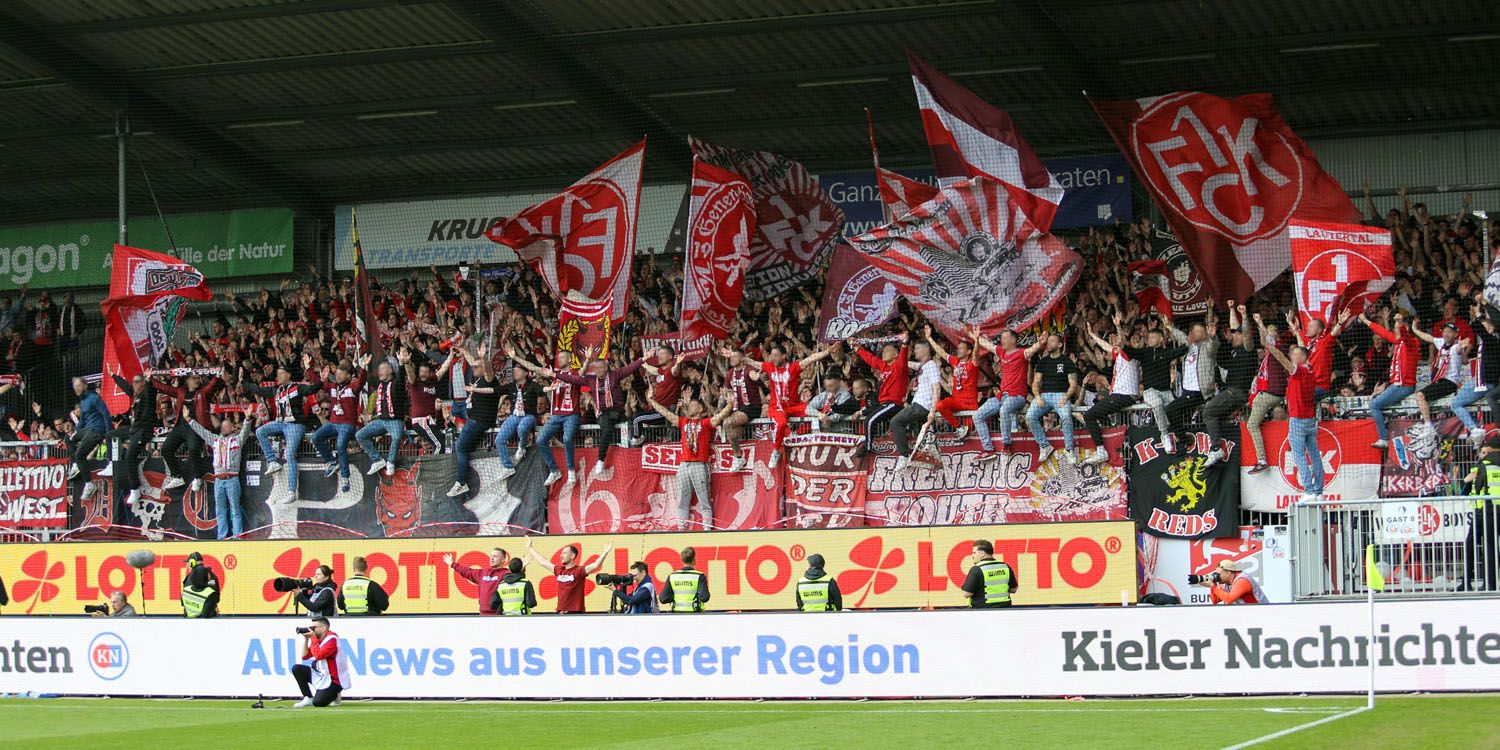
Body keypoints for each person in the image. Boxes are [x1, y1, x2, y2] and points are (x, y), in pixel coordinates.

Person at [729, 342, 838, 468]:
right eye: (771, 355)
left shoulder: (793, 368)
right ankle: (776, 451)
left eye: (775, 355)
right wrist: (733, 355)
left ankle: (798, 435)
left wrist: (828, 351)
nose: (772, 358)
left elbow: (811, 358)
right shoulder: (769, 367)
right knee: (781, 423)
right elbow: (748, 360)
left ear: (784, 356)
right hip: (777, 407)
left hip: (794, 406)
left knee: (819, 412)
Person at [550, 347, 646, 477]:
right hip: (604, 413)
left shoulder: (615, 375)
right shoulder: (590, 379)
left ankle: (637, 439)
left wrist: (643, 359)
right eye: (596, 368)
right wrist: (555, 374)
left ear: (606, 367)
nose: (599, 370)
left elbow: (629, 368)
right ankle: (600, 460)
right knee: (606, 430)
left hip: (618, 411)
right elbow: (573, 379)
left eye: (601, 367)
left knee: (634, 418)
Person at [1255, 314, 1322, 502]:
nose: (1291, 356)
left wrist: (1270, 346)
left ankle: (1308, 491)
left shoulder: (1298, 370)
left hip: (1299, 420)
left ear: (1302, 357)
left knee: (1299, 455)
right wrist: (1293, 330)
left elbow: (1282, 360)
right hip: (1310, 420)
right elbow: (1302, 346)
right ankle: (1318, 492)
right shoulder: (1309, 369)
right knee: (1314, 455)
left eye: (1294, 354)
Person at [645, 390, 736, 528]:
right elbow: (666, 413)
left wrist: (730, 403)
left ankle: (707, 529)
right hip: (683, 465)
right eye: (690, 405)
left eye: (694, 405)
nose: (690, 406)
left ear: (701, 409)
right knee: (683, 499)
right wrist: (651, 401)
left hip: (699, 465)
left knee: (704, 500)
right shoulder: (683, 422)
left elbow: (720, 417)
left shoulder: (706, 423)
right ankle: (682, 528)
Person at [244, 355, 322, 494]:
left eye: (281, 374)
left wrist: (321, 379)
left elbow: (312, 389)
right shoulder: (275, 390)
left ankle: (292, 490)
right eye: (277, 374)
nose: (278, 376)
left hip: (295, 425)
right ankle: (272, 461)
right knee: (260, 431)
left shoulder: (297, 387)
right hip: (280, 423)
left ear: (289, 375)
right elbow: (258, 390)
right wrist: (243, 381)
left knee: (290, 455)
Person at [509, 350, 582, 486]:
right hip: (556, 415)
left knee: (567, 438)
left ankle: (571, 469)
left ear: (570, 359)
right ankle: (554, 470)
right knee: (541, 439)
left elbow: (583, 371)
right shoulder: (554, 374)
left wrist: (588, 358)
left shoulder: (576, 373)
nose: (559, 360)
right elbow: (534, 368)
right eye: (558, 357)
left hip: (571, 415)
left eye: (562, 358)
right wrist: (516, 357)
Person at [184, 404, 256, 538]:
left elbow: (245, 431)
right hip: (218, 480)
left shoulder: (237, 440)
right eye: (222, 425)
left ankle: (237, 536)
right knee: (220, 510)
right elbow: (202, 431)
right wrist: (189, 419)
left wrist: (247, 418)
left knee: (235, 509)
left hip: (232, 479)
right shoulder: (215, 440)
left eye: (226, 425)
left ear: (233, 428)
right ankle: (222, 537)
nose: (223, 427)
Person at [971, 326, 1044, 457]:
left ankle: (1006, 444)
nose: (1001, 341)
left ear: (1013, 340)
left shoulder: (1022, 353)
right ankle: (988, 449)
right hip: (1002, 396)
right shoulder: (1001, 352)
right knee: (977, 416)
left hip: (1017, 396)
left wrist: (1040, 343)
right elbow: (986, 344)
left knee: (1004, 411)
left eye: (1004, 338)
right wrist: (973, 336)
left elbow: (1032, 350)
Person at [1123, 312, 1188, 452]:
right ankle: (1164, 436)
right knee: (1157, 404)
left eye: (1153, 337)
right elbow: (1128, 350)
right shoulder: (1145, 353)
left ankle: (1180, 438)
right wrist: (1119, 335)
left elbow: (1187, 345)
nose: (1150, 339)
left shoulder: (1167, 353)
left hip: (1166, 391)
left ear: (1161, 339)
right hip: (1150, 391)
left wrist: (1170, 328)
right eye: (1149, 336)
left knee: (1174, 411)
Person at [1204, 302, 1258, 467]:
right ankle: (1221, 449)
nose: (1232, 335)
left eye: (1236, 334)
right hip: (1232, 393)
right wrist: (1232, 310)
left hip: (1236, 392)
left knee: (1208, 411)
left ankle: (1216, 448)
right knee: (1214, 415)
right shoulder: (1234, 350)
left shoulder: (1248, 349)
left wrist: (1244, 315)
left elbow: (1246, 333)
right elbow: (1237, 328)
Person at [1081, 316, 1141, 465]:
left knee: (1089, 415)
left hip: (1124, 395)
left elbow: (1122, 342)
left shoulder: (1129, 353)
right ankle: (1109, 437)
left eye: (1115, 339)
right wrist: (1093, 335)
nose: (1113, 342)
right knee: (1097, 413)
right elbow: (1105, 346)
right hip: (1118, 395)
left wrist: (1118, 326)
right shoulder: (1120, 355)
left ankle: (1101, 450)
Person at [153, 369, 223, 492]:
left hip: (195, 427)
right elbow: (165, 388)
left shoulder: (202, 392)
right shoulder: (181, 392)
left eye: (198, 378)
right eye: (194, 378)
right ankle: (176, 476)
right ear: (187, 380)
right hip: (180, 427)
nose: (197, 380)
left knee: (193, 448)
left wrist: (217, 377)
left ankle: (198, 477)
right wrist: (150, 379)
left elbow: (212, 387)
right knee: (166, 449)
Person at [1362, 309, 1420, 450]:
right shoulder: (1398, 342)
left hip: (1403, 386)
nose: (1395, 331)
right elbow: (1382, 332)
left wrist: (1400, 323)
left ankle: (1383, 438)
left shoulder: (1411, 342)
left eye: (1397, 328)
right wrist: (1365, 320)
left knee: (1374, 405)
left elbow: (1405, 335)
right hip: (1396, 385)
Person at [447, 343, 500, 497]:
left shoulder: (488, 378)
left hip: (479, 420)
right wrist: (463, 349)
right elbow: (473, 363)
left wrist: (483, 357)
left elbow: (487, 370)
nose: (473, 368)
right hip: (475, 418)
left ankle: (461, 482)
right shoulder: (478, 380)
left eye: (477, 367)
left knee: (460, 448)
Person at [1163, 312, 1220, 453]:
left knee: (1170, 409)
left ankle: (1184, 440)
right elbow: (1181, 336)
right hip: (1186, 391)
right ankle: (1186, 443)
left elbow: (1214, 346)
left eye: (1199, 331)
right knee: (1178, 415)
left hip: (1199, 391)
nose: (1195, 334)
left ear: (1205, 334)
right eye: (1194, 331)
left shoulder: (1207, 346)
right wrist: (1170, 327)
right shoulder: (1189, 346)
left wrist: (1213, 336)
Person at [847, 333, 909, 459]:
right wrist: (857, 348)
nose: (884, 353)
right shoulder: (883, 367)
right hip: (885, 404)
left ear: (895, 355)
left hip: (894, 403)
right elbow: (870, 359)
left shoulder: (900, 366)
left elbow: (904, 354)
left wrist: (904, 343)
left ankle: (868, 447)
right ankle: (869, 444)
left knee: (870, 420)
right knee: (870, 419)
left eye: (887, 351)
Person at [108, 362, 161, 509]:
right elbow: (125, 386)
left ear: (143, 383)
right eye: (134, 382)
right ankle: (110, 463)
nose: (134, 384)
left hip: (143, 430)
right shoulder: (135, 393)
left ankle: (135, 489)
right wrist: (113, 375)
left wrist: (149, 380)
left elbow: (151, 390)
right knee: (110, 434)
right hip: (133, 428)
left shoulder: (147, 393)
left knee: (130, 455)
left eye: (137, 382)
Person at [1024, 332, 1081, 464]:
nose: (1048, 343)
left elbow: (1073, 384)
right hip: (1044, 395)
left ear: (1060, 344)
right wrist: (1037, 397)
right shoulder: (1043, 362)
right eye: (1048, 341)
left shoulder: (1067, 361)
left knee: (1066, 417)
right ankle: (1044, 445)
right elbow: (1035, 383)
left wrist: (1066, 397)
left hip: (1061, 394)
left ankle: (1069, 449)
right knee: (1030, 416)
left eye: (1052, 341)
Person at [1244, 316, 1290, 473]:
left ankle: (1262, 459)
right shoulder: (1268, 356)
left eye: (1271, 333)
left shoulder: (1280, 348)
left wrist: (1259, 322)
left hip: (1271, 393)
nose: (1266, 335)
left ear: (1276, 335)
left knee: (1251, 424)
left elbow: (1267, 341)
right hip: (1270, 393)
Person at [313, 360, 365, 494]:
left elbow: (361, 382)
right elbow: (317, 383)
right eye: (337, 374)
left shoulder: (352, 388)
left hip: (347, 425)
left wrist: (363, 368)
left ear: (348, 376)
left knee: (340, 446)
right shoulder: (332, 388)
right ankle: (331, 461)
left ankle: (345, 478)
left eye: (341, 374)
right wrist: (309, 369)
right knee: (316, 437)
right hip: (333, 423)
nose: (338, 376)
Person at [891, 338, 942, 472]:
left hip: (923, 405)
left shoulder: (931, 365)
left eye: (917, 348)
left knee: (896, 422)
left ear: (926, 350)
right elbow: (910, 364)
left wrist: (932, 410)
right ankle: (919, 456)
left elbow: (937, 388)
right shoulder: (923, 366)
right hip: (918, 404)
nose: (915, 351)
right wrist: (898, 356)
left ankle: (903, 456)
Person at [931, 326, 989, 442]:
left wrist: (977, 340)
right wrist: (929, 338)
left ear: (968, 352)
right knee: (940, 406)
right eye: (958, 348)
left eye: (962, 348)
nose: (958, 350)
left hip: (970, 404)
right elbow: (941, 352)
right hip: (956, 401)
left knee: (972, 433)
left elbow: (976, 354)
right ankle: (959, 428)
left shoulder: (973, 364)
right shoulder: (955, 361)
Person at [1408, 321, 1466, 436]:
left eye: (1449, 332)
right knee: (1423, 397)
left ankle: (1428, 426)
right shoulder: (1442, 343)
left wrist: (1461, 346)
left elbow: (1459, 350)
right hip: (1439, 381)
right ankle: (1430, 425)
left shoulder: (1456, 347)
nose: (1446, 334)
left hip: (1449, 382)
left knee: (1420, 395)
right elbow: (1429, 338)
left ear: (1455, 334)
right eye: (1445, 331)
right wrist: (1415, 330)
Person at [357, 352, 409, 478]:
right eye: (379, 369)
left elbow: (402, 377)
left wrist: (401, 363)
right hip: (380, 421)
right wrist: (362, 366)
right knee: (360, 435)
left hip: (395, 420)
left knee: (397, 437)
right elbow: (366, 378)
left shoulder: (397, 383)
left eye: (382, 369)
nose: (379, 371)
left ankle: (390, 462)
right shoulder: (379, 383)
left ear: (390, 371)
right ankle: (377, 460)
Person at [525, 537, 612, 613]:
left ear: (572, 555)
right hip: (561, 611)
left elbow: (595, 565)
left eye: (564, 553)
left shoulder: (579, 571)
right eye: (561, 553)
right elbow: (543, 562)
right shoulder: (559, 570)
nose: (561, 555)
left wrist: (605, 553)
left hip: (576, 612)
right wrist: (530, 547)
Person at [1461, 435, 1500, 592]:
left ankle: (1490, 584)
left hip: (1488, 509)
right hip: (1489, 508)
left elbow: (1475, 485)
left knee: (1489, 546)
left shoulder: (1484, 464)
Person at [494, 364, 544, 480]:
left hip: (529, 415)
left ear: (526, 373)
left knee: (522, 428)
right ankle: (507, 467)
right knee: (499, 439)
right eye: (514, 370)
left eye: (517, 370)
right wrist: (476, 389)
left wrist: (550, 388)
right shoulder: (511, 386)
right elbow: (494, 390)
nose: (514, 372)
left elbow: (542, 389)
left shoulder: (532, 385)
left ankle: (522, 446)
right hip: (514, 416)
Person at [720, 345, 765, 470]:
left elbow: (753, 374)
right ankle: (740, 457)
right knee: (733, 432)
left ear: (742, 358)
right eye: (731, 356)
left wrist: (755, 377)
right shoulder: (730, 373)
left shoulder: (748, 369)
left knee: (727, 423)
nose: (732, 359)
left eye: (735, 356)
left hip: (752, 408)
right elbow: (725, 391)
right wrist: (726, 396)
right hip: (738, 410)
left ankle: (738, 458)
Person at [66, 376, 110, 502]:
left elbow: (106, 415)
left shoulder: (94, 398)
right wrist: (76, 432)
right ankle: (76, 464)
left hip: (97, 430)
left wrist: (107, 434)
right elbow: (82, 421)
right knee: (68, 438)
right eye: (75, 387)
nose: (77, 389)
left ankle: (89, 485)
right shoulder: (83, 401)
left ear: (85, 386)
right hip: (88, 430)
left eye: (79, 386)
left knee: (80, 454)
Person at [291, 617, 350, 708]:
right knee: (297, 668)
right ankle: (308, 697)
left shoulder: (331, 639)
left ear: (323, 628)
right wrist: (306, 639)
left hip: (334, 679)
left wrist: (313, 638)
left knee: (319, 703)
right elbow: (305, 656)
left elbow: (319, 656)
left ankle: (335, 694)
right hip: (322, 674)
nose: (311, 629)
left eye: (314, 628)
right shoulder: (319, 639)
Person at [444, 548, 509, 615]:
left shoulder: (507, 574)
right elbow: (467, 572)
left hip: (499, 615)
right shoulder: (482, 573)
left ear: (503, 560)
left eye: (495, 556)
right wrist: (452, 564)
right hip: (483, 614)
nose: (492, 558)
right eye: (491, 556)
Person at [961, 540, 1017, 608]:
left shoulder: (977, 569)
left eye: (974, 553)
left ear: (982, 554)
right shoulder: (1005, 567)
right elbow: (1013, 589)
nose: (972, 556)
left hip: (982, 611)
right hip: (1005, 609)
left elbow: (966, 594)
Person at [659, 546, 711, 613]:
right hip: (695, 614)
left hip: (677, 614)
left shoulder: (672, 576)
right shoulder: (699, 576)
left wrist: (675, 597)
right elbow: (704, 597)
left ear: (682, 560)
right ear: (694, 559)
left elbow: (663, 599)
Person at [180, 552, 221, 618]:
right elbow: (215, 596)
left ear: (192, 563)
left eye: (188, 563)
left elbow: (185, 599)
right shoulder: (212, 576)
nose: (187, 566)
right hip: (209, 615)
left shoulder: (190, 578)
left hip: (193, 616)